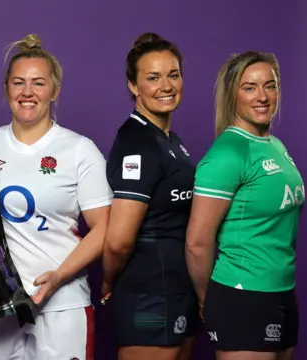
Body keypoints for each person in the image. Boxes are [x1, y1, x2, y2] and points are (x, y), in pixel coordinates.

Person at [0, 33, 112, 360]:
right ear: (6, 88)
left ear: (55, 90)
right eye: (18, 83)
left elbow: (104, 230)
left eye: (38, 83)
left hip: (62, 302)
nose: (27, 92)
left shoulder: (80, 150)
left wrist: (58, 278)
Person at [186, 51, 303, 360]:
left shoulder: (275, 146)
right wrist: (206, 300)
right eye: (250, 87)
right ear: (233, 94)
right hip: (242, 295)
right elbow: (197, 243)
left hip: (282, 291)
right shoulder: (227, 154)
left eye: (270, 85)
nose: (263, 96)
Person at [101, 33, 198, 360]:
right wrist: (110, 278)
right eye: (153, 78)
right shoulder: (137, 143)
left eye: (173, 75)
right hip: (148, 294)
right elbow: (118, 241)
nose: (166, 86)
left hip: (178, 289)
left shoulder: (171, 142)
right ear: (133, 86)